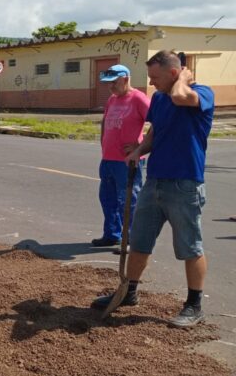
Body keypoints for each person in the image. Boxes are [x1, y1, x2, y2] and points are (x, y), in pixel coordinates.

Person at [91, 50, 215, 328]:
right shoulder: (159, 98)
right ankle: (128, 292)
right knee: (140, 239)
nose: (151, 83)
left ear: (174, 73)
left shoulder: (202, 93)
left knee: (189, 246)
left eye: (156, 77)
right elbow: (155, 131)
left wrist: (183, 78)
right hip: (154, 180)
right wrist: (139, 150)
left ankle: (194, 305)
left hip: (185, 183)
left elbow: (181, 98)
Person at [92, 64, 150, 248]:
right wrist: (103, 143)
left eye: (114, 83)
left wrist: (140, 146)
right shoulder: (112, 100)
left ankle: (132, 239)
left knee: (129, 202)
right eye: (108, 83)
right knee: (107, 199)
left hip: (127, 162)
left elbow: (160, 124)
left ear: (126, 79)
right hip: (108, 160)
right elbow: (105, 122)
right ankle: (112, 234)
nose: (111, 87)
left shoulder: (139, 99)